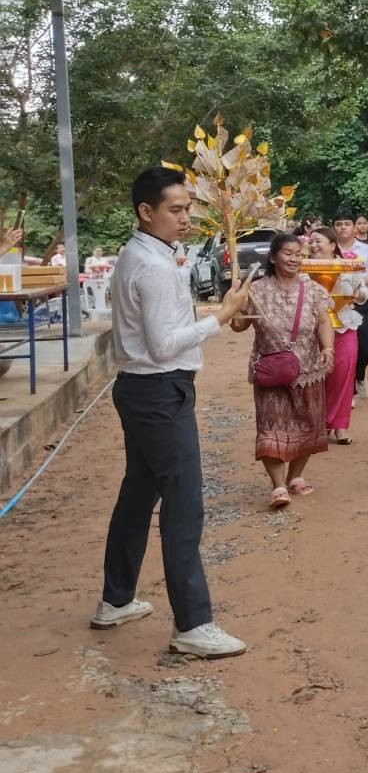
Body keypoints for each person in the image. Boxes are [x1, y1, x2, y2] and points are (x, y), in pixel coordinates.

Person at [93, 166, 253, 659]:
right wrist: (220, 318)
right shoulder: (154, 266)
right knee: (184, 504)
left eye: (188, 208)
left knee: (139, 496)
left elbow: (163, 330)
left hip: (146, 391)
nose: (186, 218)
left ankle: (115, 599)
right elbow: (164, 346)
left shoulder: (142, 255)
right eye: (176, 210)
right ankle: (193, 622)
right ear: (147, 212)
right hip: (158, 392)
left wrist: (217, 318)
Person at [230, 233, 336, 509]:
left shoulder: (312, 289)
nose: (294, 259)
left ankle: (296, 476)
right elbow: (238, 326)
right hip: (270, 370)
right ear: (273, 257)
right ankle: (277, 486)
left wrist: (328, 348)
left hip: (308, 368)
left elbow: (324, 321)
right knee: (270, 427)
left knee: (308, 424)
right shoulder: (255, 289)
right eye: (287, 253)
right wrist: (235, 306)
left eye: (298, 254)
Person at [308, 229, 368, 445]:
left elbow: (363, 293)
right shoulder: (303, 269)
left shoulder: (348, 268)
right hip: (311, 332)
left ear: (333, 245)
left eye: (319, 241)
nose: (314, 245)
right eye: (311, 242)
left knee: (343, 376)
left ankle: (340, 426)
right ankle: (318, 424)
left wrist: (355, 295)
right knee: (315, 378)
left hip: (344, 327)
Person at [332, 211, 368, 399]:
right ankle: (348, 391)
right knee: (342, 350)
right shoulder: (329, 250)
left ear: (354, 227)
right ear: (333, 227)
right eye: (338, 224)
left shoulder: (366, 250)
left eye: (346, 223)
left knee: (366, 346)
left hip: (359, 301)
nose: (343, 227)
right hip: (334, 305)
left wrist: (358, 282)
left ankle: (359, 376)